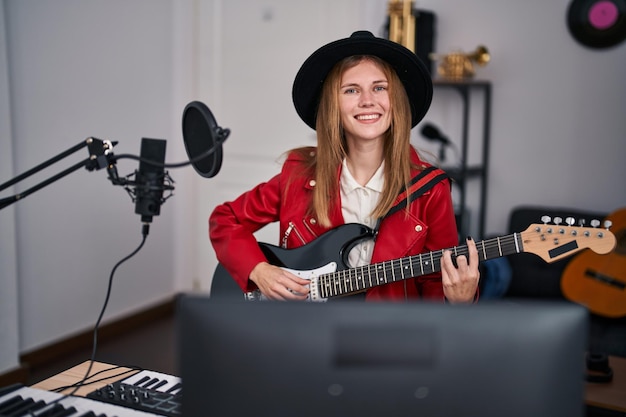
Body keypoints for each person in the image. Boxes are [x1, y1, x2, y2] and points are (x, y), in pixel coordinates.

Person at [209, 30, 480, 303]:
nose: (367, 101)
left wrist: (459, 300)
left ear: (395, 100)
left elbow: (436, 280)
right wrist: (258, 269)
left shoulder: (429, 189)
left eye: (379, 87)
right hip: (305, 332)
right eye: (351, 90)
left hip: (388, 337)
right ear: (333, 106)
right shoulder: (299, 173)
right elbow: (225, 220)